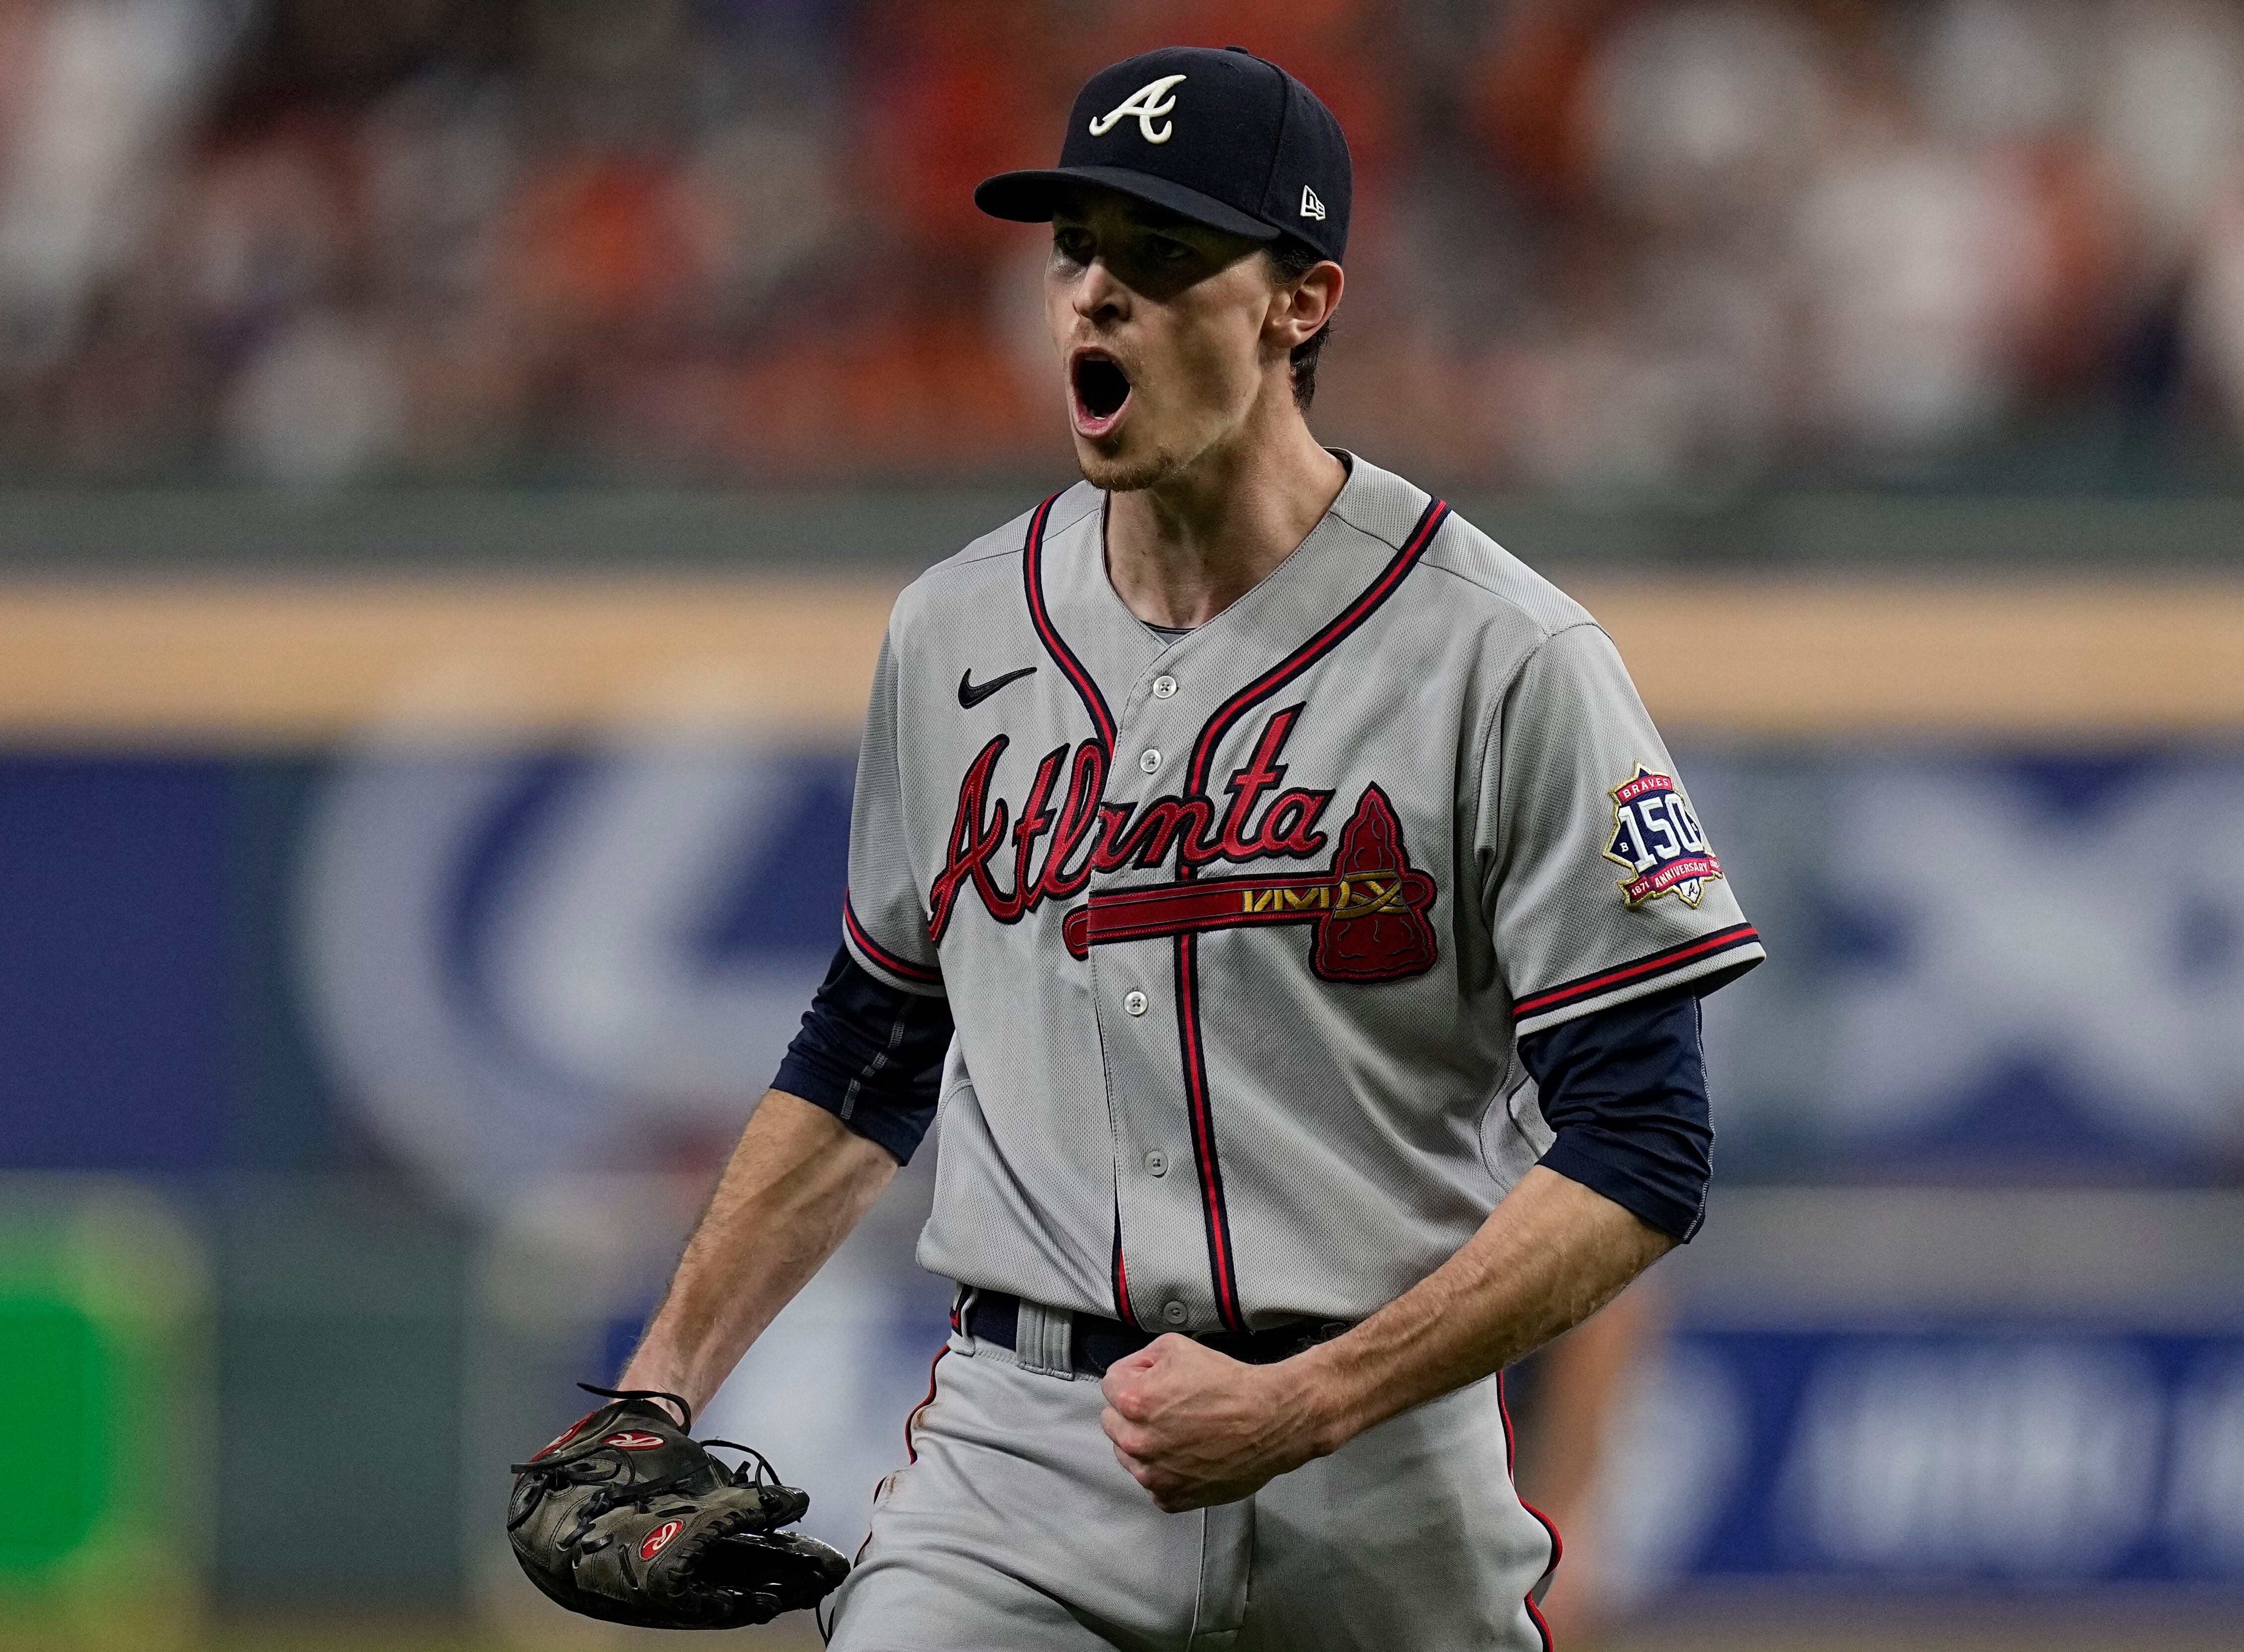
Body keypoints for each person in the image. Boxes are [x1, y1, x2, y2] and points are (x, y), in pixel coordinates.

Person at [614, 45, 1762, 1650]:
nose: (1097, 296)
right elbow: (870, 1043)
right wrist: (659, 1382)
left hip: (1379, 1451)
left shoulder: (1507, 654)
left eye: (1162, 260)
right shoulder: (953, 631)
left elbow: (1643, 1144)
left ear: (1302, 301)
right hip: (1025, 1448)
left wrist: (1309, 1403)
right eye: (1077, 249)